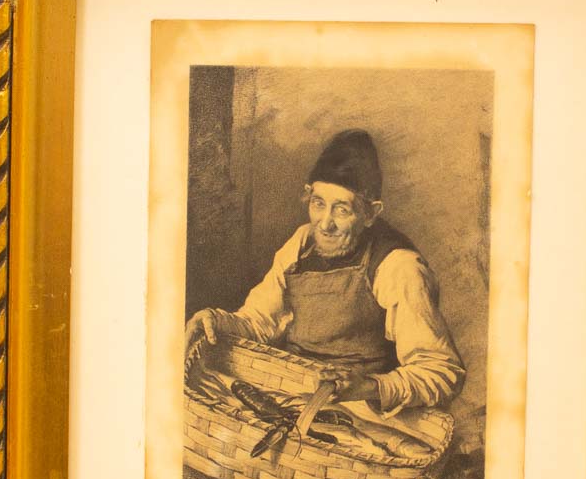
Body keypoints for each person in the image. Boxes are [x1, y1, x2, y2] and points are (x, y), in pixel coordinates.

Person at [185, 129, 464, 414]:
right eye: (319, 204)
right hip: (292, 395)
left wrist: (368, 386)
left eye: (341, 210)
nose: (325, 224)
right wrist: (216, 320)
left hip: (361, 411)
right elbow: (260, 322)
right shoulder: (302, 243)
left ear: (371, 214)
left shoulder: (398, 266)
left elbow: (441, 372)